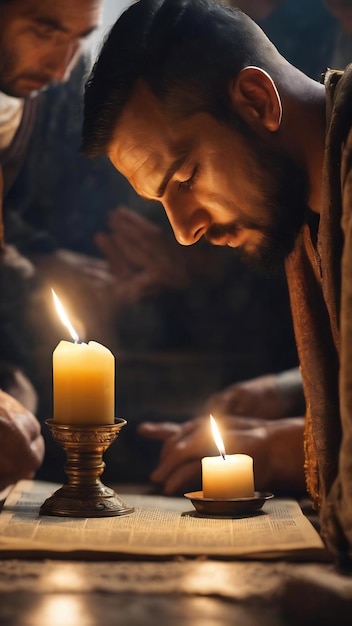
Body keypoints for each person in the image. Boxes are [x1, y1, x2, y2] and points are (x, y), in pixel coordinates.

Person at [82, 0, 352, 562]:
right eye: (163, 202)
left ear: (257, 101)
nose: (183, 232)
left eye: (185, 177)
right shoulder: (309, 211)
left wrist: (285, 447)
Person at [0, 0, 106, 489]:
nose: (61, 67)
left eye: (79, 39)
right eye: (44, 30)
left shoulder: (36, 94)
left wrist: (15, 381)